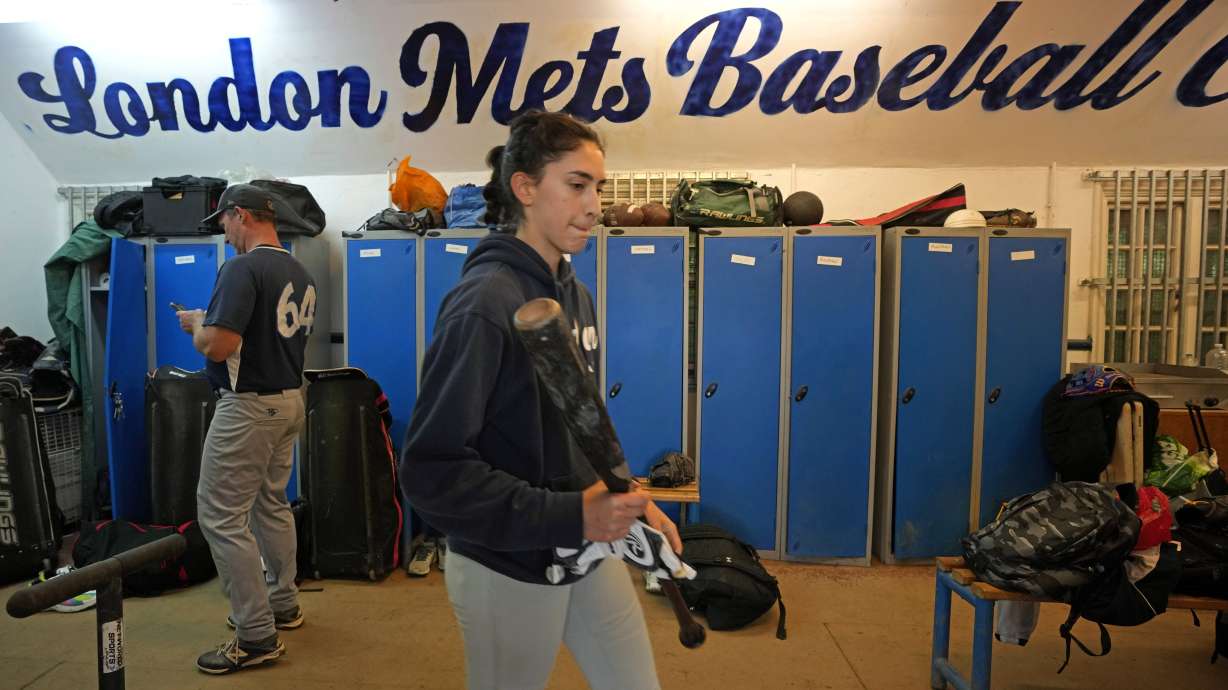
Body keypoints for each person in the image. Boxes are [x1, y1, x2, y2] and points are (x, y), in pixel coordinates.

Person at [401, 110, 682, 690]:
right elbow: (430, 472)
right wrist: (573, 513)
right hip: (507, 563)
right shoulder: (483, 304)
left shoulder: (572, 293)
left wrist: (630, 501)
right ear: (525, 187)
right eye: (577, 185)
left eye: (598, 188)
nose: (594, 205)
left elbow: (584, 423)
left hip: (583, 544)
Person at [179, 184, 316, 674]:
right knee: (270, 504)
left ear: (241, 216)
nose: (223, 230)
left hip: (248, 409)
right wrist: (208, 324)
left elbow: (217, 346)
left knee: (220, 517)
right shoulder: (299, 270)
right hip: (289, 402)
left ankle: (256, 636)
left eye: (224, 221)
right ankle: (283, 604)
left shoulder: (241, 267)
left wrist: (197, 325)